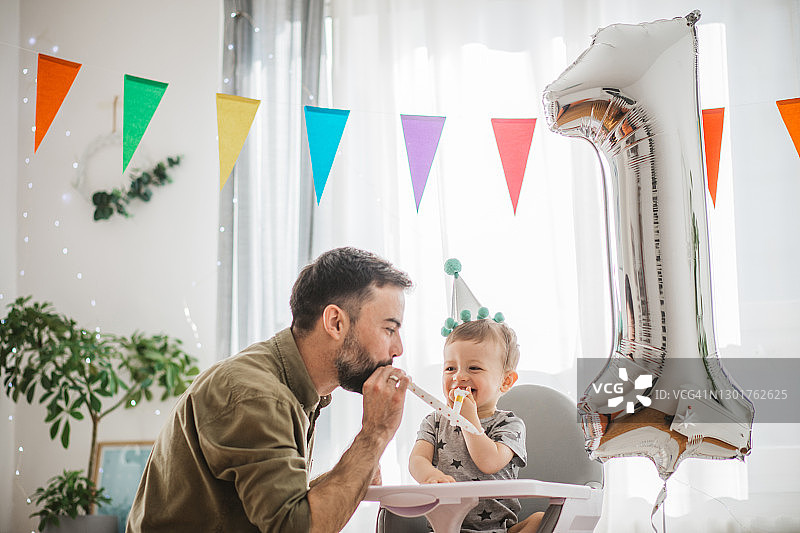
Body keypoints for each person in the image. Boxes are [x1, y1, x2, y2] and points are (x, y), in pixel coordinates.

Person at [127, 247, 413, 533]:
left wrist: (353, 472)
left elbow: (277, 512)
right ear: (335, 322)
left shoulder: (293, 390)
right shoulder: (257, 395)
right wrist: (375, 434)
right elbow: (296, 529)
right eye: (389, 329)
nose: (397, 349)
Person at [408, 319, 543, 533]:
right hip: (446, 528)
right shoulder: (434, 421)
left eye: (474, 368)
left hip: (499, 529)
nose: (459, 376)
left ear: (505, 381)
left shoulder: (510, 425)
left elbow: (489, 462)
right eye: (450, 368)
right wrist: (430, 476)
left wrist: (468, 419)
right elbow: (417, 459)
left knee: (540, 520)